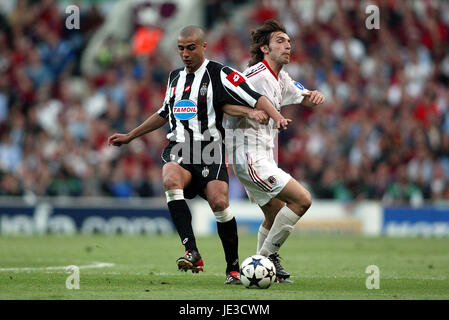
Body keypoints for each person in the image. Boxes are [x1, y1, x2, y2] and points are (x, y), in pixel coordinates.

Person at [107, 25, 290, 285]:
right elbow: (163, 113)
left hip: (210, 150)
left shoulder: (220, 73)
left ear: (204, 46)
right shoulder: (174, 78)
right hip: (180, 147)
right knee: (170, 180)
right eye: (181, 48)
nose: (185, 53)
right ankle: (191, 251)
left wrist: (276, 116)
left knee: (219, 203)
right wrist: (130, 136)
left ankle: (233, 269)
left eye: (191, 47)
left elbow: (255, 96)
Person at [224, 19, 325, 283]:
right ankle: (265, 259)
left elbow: (300, 93)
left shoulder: (280, 77)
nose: (287, 45)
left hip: (263, 157)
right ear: (265, 49)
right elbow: (224, 103)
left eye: (289, 42)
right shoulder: (254, 76)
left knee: (274, 212)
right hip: (249, 157)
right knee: (302, 199)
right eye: (280, 41)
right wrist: (256, 113)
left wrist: (313, 95)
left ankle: (260, 269)